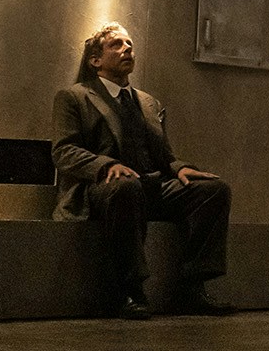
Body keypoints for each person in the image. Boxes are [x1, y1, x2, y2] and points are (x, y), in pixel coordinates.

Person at [51, 22, 235, 320]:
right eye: (116, 44)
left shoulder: (149, 102)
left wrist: (180, 168)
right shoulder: (75, 97)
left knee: (213, 191)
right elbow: (63, 151)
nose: (127, 49)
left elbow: (163, 156)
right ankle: (129, 291)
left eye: (129, 44)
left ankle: (192, 288)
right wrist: (106, 164)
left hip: (150, 185)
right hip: (105, 188)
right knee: (126, 187)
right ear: (95, 60)